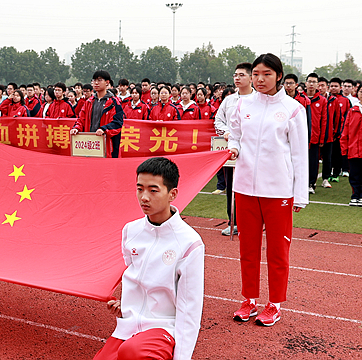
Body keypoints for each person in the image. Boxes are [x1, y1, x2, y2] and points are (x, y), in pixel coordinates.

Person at [93, 157, 203, 360]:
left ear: (173, 194)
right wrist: (126, 304)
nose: (144, 197)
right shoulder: (131, 231)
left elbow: (190, 308)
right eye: (139, 189)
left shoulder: (189, 243)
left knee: (133, 352)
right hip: (128, 326)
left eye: (153, 190)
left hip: (163, 327)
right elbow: (135, 276)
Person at [227, 53, 308, 327]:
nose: (260, 80)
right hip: (245, 187)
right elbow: (235, 134)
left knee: (277, 251)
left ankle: (274, 304)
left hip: (278, 192)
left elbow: (299, 155)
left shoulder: (293, 109)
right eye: (257, 74)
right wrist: (234, 147)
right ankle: (249, 299)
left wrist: (300, 194)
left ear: (279, 76)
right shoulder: (242, 104)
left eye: (267, 74)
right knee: (247, 248)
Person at [213, 63, 255, 236]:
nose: (237, 78)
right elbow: (218, 120)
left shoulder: (259, 100)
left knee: (252, 186)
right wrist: (227, 132)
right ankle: (233, 222)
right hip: (233, 150)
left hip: (253, 150)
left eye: (241, 75)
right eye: (235, 75)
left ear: (251, 78)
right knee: (232, 185)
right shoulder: (229, 100)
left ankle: (253, 221)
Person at [71, 70, 125, 158]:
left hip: (107, 146)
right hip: (91, 145)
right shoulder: (89, 102)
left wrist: (104, 129)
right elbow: (81, 119)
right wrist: (76, 128)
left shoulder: (114, 102)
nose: (96, 83)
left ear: (107, 82)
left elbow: (117, 124)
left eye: (99, 80)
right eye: (94, 80)